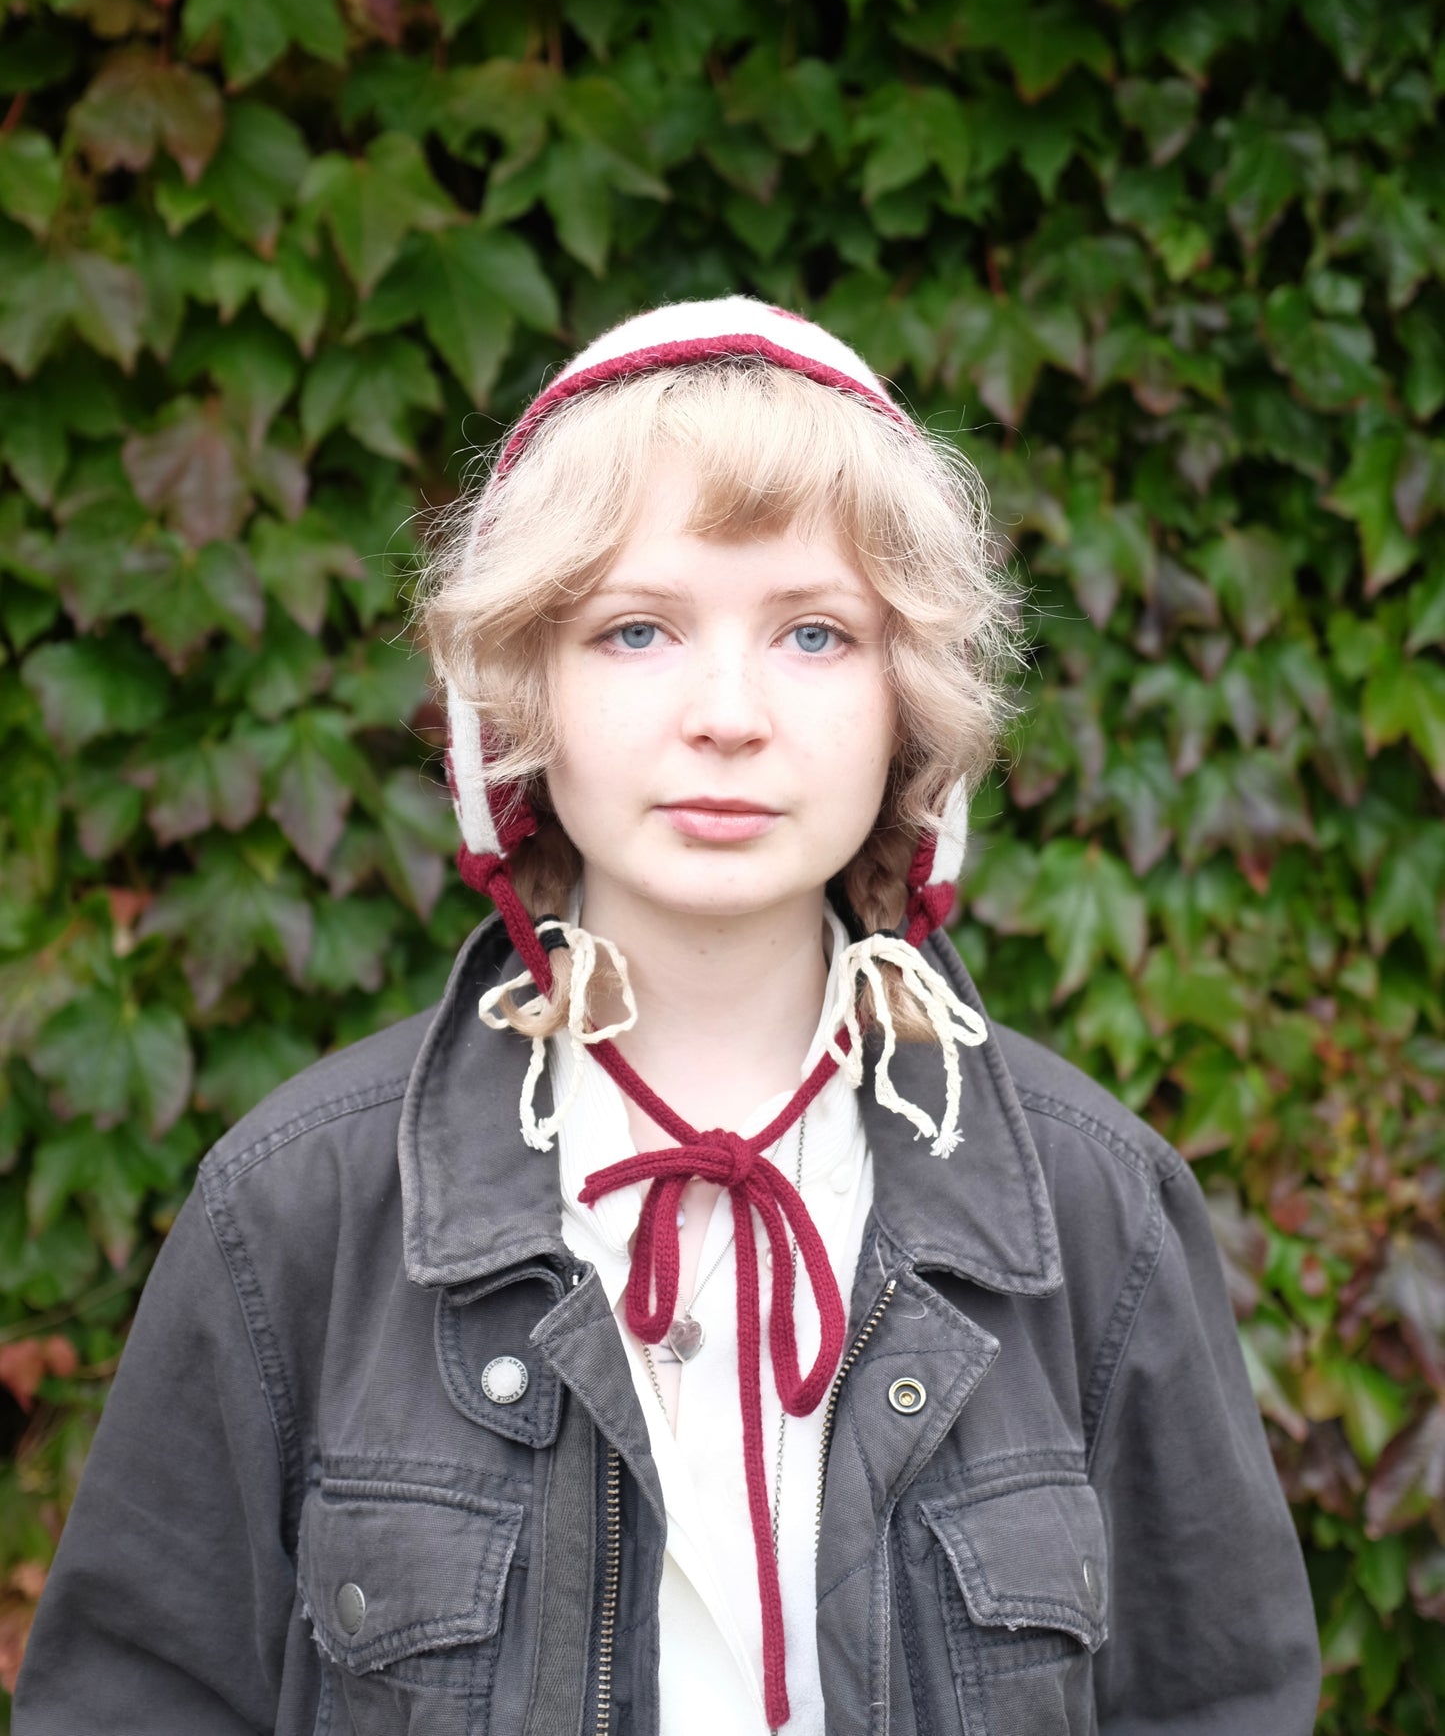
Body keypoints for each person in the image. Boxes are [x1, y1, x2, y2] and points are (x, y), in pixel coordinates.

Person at [16, 296, 1321, 1735]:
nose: (726, 713)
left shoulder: (1093, 1208)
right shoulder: (296, 1211)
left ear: (912, 708)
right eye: (634, 631)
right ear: (519, 698)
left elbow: (1220, 1700)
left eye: (814, 635)